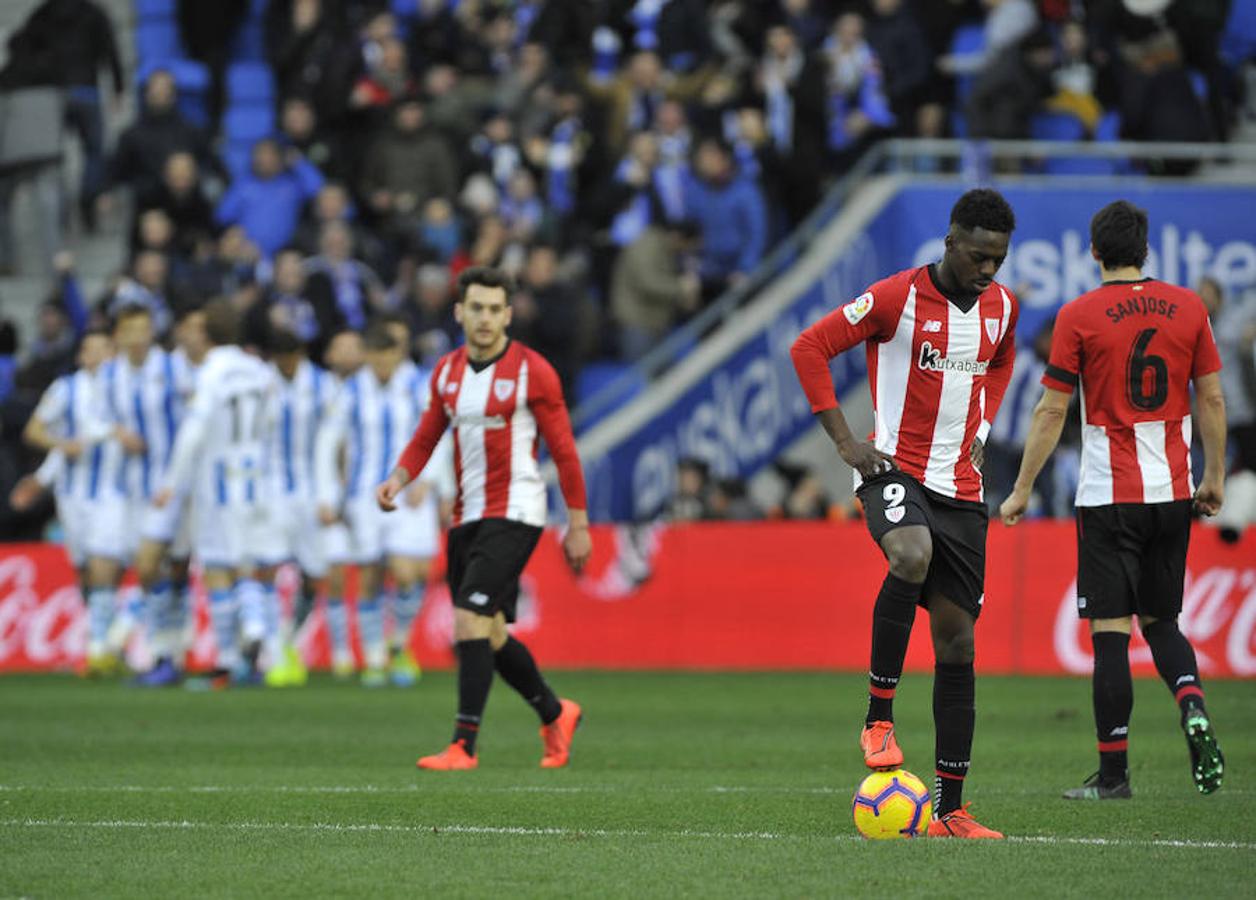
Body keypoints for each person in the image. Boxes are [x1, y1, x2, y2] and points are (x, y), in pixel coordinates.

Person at [790, 189, 1019, 839]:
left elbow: (1000, 362)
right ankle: (878, 716)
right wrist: (846, 443)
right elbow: (809, 347)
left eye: (997, 259)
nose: (987, 270)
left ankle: (951, 811)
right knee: (910, 554)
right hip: (893, 469)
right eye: (977, 256)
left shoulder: (1003, 308)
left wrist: (986, 424)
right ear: (950, 244)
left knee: (958, 642)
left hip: (963, 490)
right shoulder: (896, 297)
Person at [999, 200, 1227, 799]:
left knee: (1110, 633)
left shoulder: (1079, 315)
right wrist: (1216, 478)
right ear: (1146, 250)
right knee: (1163, 622)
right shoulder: (1189, 308)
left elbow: (1052, 408)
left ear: (1094, 252)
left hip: (1107, 495)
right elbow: (1212, 400)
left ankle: (1114, 777)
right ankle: (1192, 703)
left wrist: (1022, 488)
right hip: (1174, 491)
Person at [377, 266, 591, 770]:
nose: (486, 318)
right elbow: (428, 433)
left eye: (496, 309)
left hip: (516, 510)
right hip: (466, 514)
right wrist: (398, 478)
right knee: (490, 632)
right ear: (460, 312)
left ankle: (463, 746)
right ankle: (556, 712)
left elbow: (563, 450)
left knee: (468, 618)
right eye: (477, 308)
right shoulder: (447, 372)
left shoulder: (532, 371)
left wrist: (577, 524)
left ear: (509, 315)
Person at [315, 319, 449, 686]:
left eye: (388, 355)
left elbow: (440, 431)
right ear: (368, 355)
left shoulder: (419, 385)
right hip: (365, 495)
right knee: (371, 573)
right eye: (375, 356)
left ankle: (398, 644)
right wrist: (328, 494)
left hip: (410, 493)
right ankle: (375, 656)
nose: (382, 363)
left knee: (409, 574)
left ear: (397, 353)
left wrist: (432, 479)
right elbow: (328, 443)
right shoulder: (351, 391)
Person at [153, 300, 277, 686]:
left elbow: (194, 430)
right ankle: (248, 644)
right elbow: (272, 419)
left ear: (207, 332)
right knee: (246, 564)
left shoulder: (212, 371)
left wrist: (171, 481)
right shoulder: (259, 369)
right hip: (256, 477)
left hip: (219, 480)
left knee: (218, 568)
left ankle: (233, 651)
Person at [254, 329, 333, 687]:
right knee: (266, 569)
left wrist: (331, 494)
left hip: (312, 492)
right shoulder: (259, 384)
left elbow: (336, 443)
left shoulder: (323, 385)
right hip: (269, 492)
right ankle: (273, 649)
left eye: (291, 358)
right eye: (280, 358)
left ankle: (287, 638)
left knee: (316, 576)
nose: (285, 364)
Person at [21, 330, 117, 606]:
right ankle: (96, 629)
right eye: (90, 349)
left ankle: (104, 631)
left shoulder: (125, 386)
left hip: (115, 490)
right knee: (85, 567)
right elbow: (33, 431)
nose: (97, 355)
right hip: (73, 493)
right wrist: (61, 450)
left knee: (105, 564)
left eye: (103, 348)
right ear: (81, 356)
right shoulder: (66, 388)